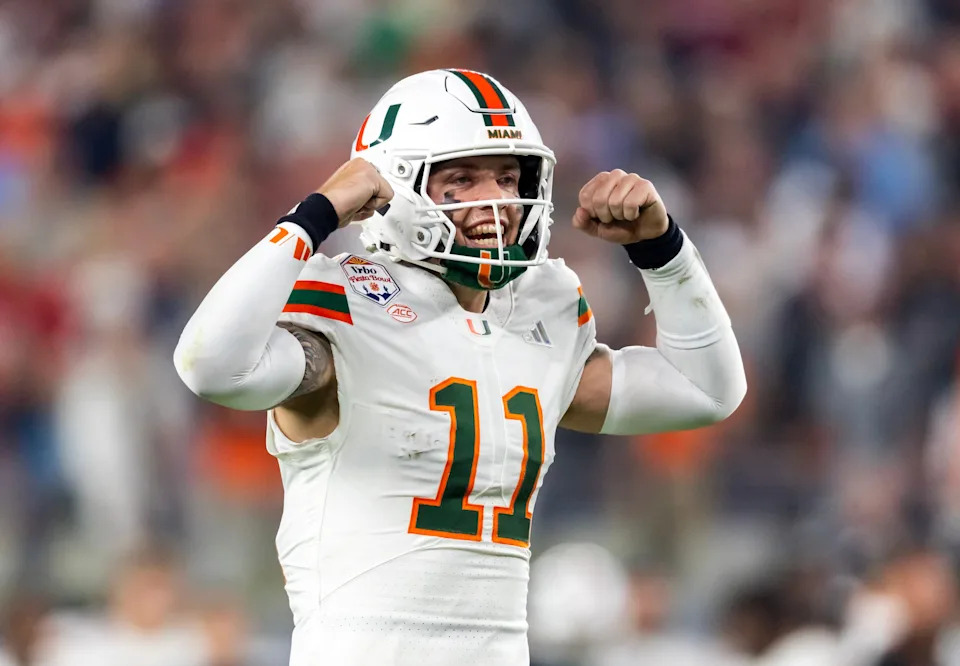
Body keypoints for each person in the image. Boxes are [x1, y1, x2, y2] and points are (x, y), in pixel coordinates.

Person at [174, 69, 746, 665]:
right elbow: (211, 366)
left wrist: (664, 251)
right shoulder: (346, 302)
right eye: (462, 178)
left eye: (507, 176)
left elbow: (705, 391)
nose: (496, 199)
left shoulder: (539, 310)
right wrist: (313, 214)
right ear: (393, 185)